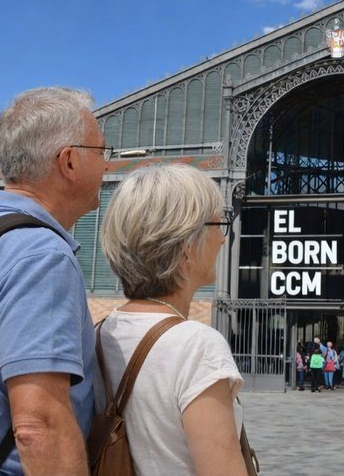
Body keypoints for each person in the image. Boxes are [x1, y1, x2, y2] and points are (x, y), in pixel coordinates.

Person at [0, 87, 106, 474]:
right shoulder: (40, 254)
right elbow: (40, 426)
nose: (107, 167)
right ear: (68, 162)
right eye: (101, 153)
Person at [97, 164, 247, 475]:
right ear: (186, 247)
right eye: (218, 224)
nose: (222, 239)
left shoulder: (100, 332)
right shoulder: (196, 346)